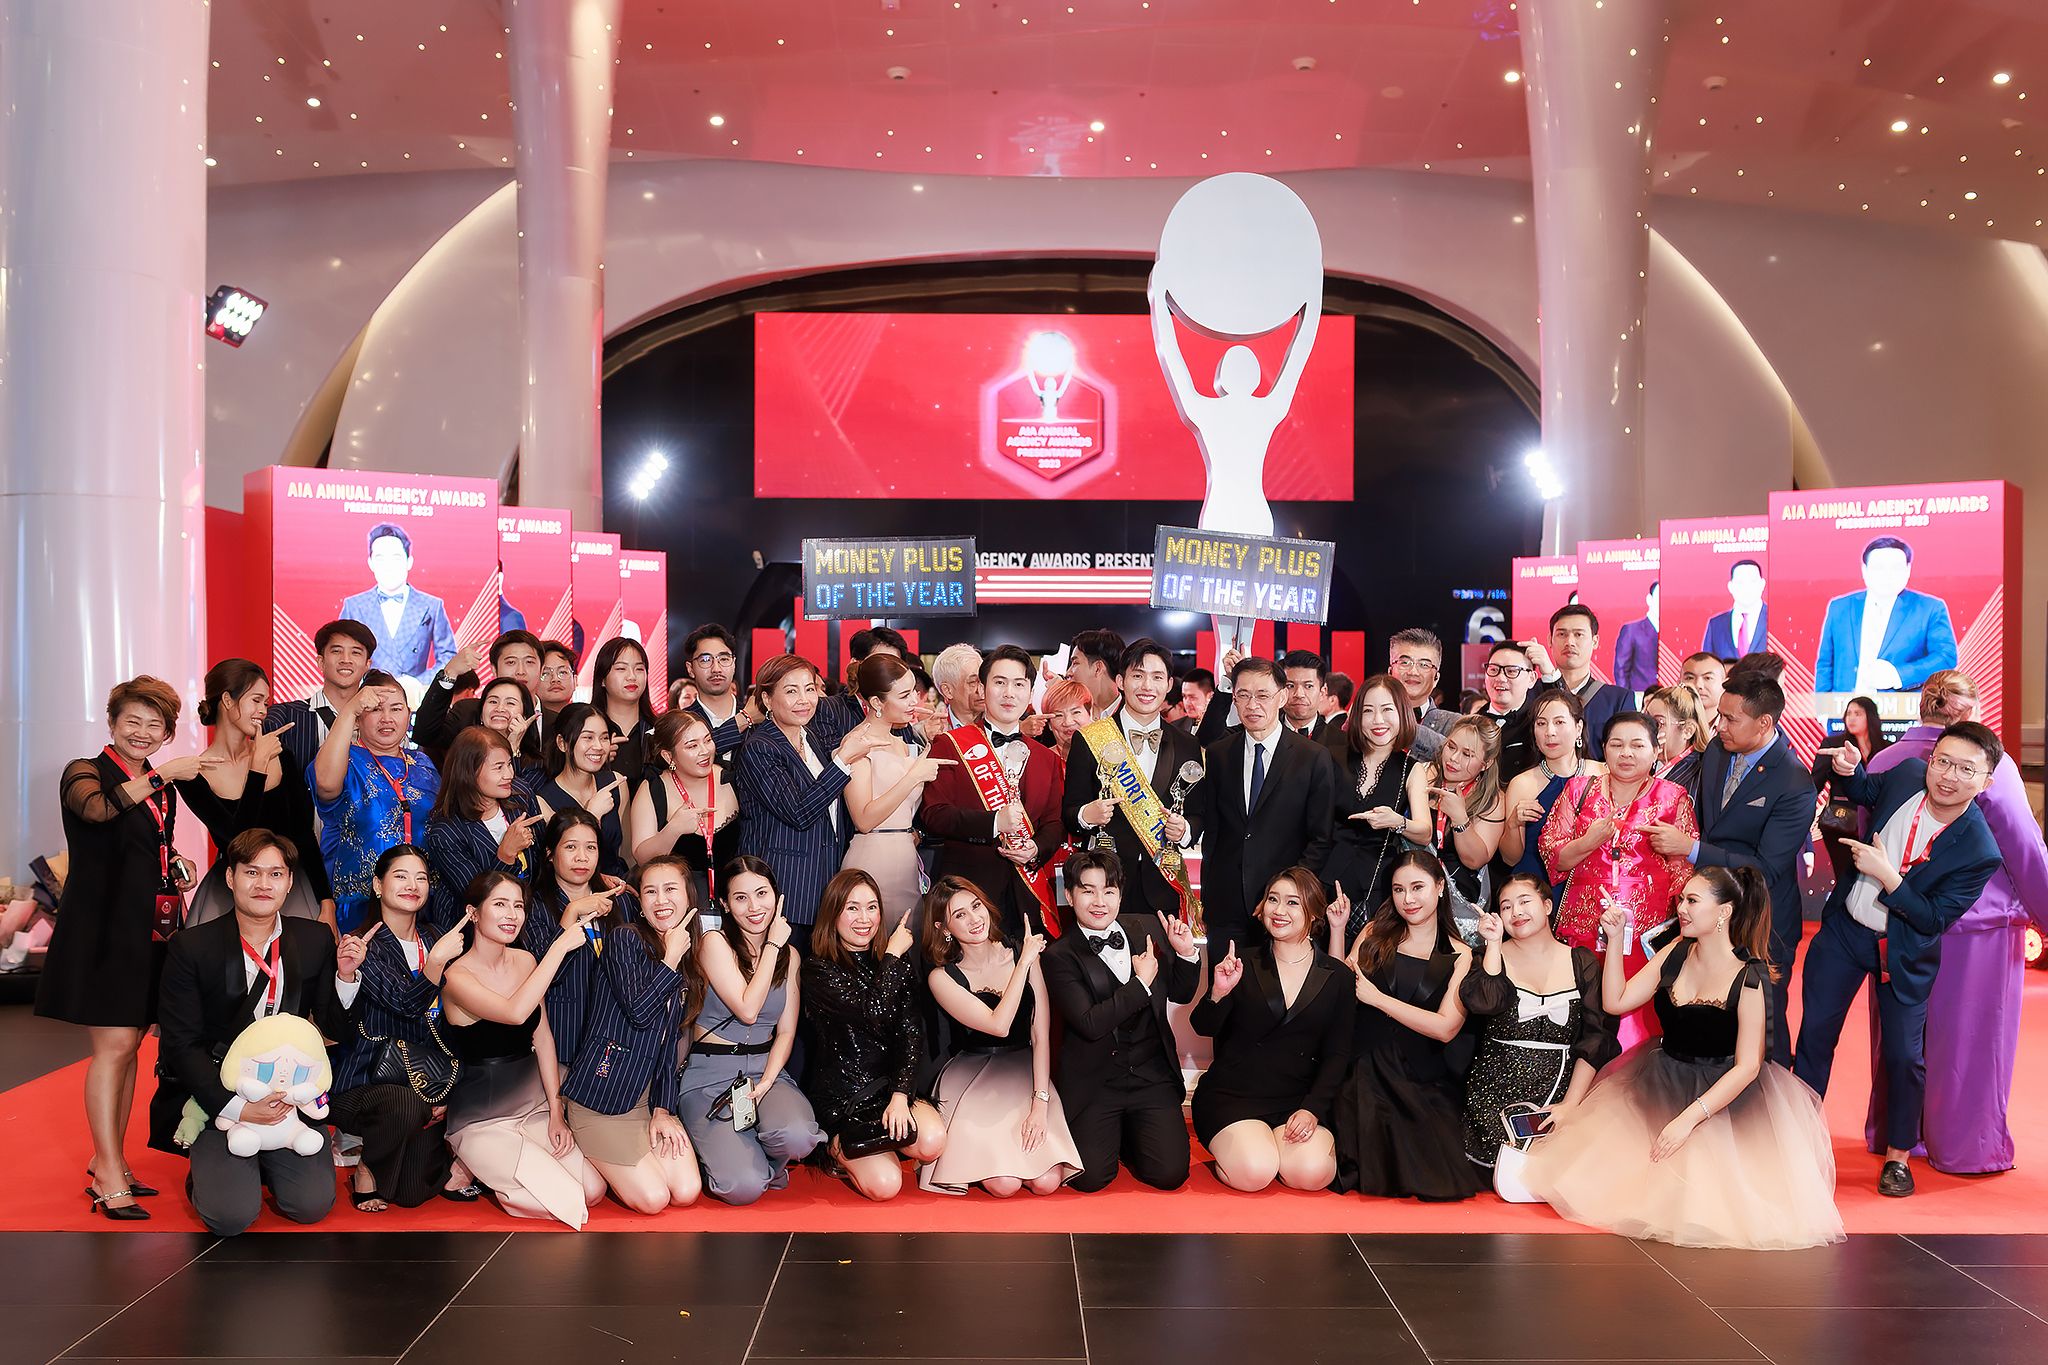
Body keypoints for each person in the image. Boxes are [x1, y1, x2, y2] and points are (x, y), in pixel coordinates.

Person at [1523, 868, 1842, 1249]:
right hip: (1661, 1080)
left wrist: (1688, 1120)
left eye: (1692, 901)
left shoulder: (1749, 977)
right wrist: (1616, 939)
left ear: (1724, 912)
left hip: (1723, 1100)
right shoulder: (1675, 953)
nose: (1681, 908)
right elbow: (1616, 1001)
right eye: (1681, 900)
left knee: (1703, 1204)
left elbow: (1748, 1066)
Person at [1794, 722, 2003, 1197]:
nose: (1948, 776)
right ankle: (1797, 1137)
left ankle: (1898, 1156)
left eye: (1965, 769)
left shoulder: (1979, 850)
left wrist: (1890, 877)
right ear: (1931, 759)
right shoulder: (1908, 774)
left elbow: (1933, 919)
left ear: (1986, 781)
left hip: (1903, 951)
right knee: (1815, 1036)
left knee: (1905, 1057)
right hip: (1846, 931)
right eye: (1943, 761)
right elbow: (1864, 791)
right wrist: (1851, 770)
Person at [39, 676, 214, 1219]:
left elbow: (143, 843)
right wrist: (163, 774)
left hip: (151, 930)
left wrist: (175, 864)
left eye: (154, 725)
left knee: (133, 1044)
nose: (142, 733)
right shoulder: (84, 771)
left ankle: (108, 1158)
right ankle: (108, 1172)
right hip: (102, 930)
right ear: (112, 723)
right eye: (132, 721)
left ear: (167, 732)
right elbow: (98, 812)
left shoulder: (157, 787)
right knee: (113, 1047)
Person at [1860, 672, 2046, 1175]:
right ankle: (1966, 1147)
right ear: (1968, 711)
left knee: (1901, 1036)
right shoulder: (1989, 764)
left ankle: (1896, 1133)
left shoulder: (1884, 759)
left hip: (1895, 917)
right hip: (1975, 927)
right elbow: (2023, 846)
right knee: (1967, 1045)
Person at [152, 830, 363, 1235]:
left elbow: (335, 1029)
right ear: (230, 878)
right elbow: (181, 1044)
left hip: (287, 1097)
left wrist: (346, 978)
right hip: (222, 1093)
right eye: (251, 872)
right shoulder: (192, 947)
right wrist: (237, 1108)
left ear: (289, 882)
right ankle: (214, 1170)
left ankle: (264, 1165)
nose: (263, 884)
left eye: (275, 874)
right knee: (229, 1217)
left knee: (311, 1206)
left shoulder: (313, 938)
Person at [1647, 671, 1814, 1065]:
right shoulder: (1718, 752)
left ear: (1764, 723)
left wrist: (1692, 850)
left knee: (1761, 1029)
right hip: (1709, 915)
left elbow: (1766, 869)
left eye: (1730, 719)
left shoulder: (1794, 782)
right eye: (1718, 716)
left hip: (1761, 919)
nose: (1718, 726)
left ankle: (1763, 1099)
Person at [429, 869, 612, 1227]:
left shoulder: (526, 960)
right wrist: (559, 947)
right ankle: (481, 1167)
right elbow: (514, 1013)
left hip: (532, 1108)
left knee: (593, 1190)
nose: (512, 915)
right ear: (473, 913)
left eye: (518, 906)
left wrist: (556, 1112)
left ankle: (490, 1171)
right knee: (570, 1202)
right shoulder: (456, 976)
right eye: (500, 904)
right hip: (483, 1119)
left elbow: (543, 1039)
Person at [1039, 850, 1201, 1192]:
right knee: (1090, 1179)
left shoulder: (1148, 927)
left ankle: (1133, 1135)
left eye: (1109, 891)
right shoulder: (1059, 955)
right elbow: (1090, 1023)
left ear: (1120, 894)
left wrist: (1186, 953)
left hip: (1151, 1075)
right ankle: (1120, 1133)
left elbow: (1182, 993)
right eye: (1088, 891)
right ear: (1070, 895)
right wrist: (1140, 984)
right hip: (1097, 1081)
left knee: (1170, 1175)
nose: (1100, 901)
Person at [328, 845, 476, 1211]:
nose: (412, 885)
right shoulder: (363, 945)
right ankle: (366, 1165)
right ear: (378, 885)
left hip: (429, 1079)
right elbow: (407, 1004)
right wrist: (436, 962)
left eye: (421, 878)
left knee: (412, 1194)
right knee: (404, 1105)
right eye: (401, 876)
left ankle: (398, 1150)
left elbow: (455, 1020)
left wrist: (446, 1090)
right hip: (369, 1081)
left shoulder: (436, 936)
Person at [1331, 849, 1482, 1200]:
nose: (1408, 899)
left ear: (1440, 887)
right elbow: (1338, 991)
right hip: (1364, 1066)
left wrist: (1379, 1000)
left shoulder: (1460, 954)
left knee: (1438, 1181)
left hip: (1421, 1074)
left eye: (1417, 888)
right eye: (1399, 890)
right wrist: (1338, 930)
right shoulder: (1374, 932)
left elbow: (1446, 1028)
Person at [918, 877, 1083, 1195]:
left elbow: (1040, 1033)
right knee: (1004, 1185)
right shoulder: (942, 977)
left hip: (1025, 1071)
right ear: (944, 928)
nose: (974, 919)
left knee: (1047, 1182)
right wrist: (1024, 964)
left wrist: (1040, 1102)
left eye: (976, 906)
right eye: (960, 915)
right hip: (974, 1077)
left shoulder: (1023, 950)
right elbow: (999, 1025)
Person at [1540, 712, 1696, 1046]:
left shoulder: (1673, 798)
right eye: (1617, 744)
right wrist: (1588, 842)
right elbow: (1554, 856)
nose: (1626, 753)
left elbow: (1684, 874)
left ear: (1656, 750)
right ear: (1604, 749)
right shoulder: (1579, 790)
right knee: (1579, 1022)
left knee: (1637, 1029)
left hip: (1646, 936)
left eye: (1637, 745)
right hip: (1582, 930)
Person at [558, 857, 702, 1215]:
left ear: (688, 896)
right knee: (654, 1200)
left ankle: (618, 1165)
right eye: (650, 892)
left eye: (670, 889)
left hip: (645, 1102)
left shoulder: (685, 952)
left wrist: (663, 1110)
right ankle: (587, 1153)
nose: (660, 900)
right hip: (601, 1099)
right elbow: (639, 1012)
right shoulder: (625, 938)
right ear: (640, 902)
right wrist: (670, 960)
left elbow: (668, 1046)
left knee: (686, 1192)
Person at [677, 856, 824, 1204]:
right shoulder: (714, 943)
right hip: (710, 1075)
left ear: (776, 896)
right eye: (741, 898)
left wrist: (769, 1081)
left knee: (799, 1136)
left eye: (762, 894)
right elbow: (747, 1010)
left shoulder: (791, 956)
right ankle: (730, 1155)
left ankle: (756, 1152)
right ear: (726, 904)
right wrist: (773, 945)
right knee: (743, 1188)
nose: (755, 907)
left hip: (762, 1068)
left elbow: (785, 1032)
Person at [1193, 869, 1349, 1194]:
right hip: (1234, 1098)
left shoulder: (1337, 975)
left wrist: (1312, 1108)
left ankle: (1272, 1148)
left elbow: (1338, 1053)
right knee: (1255, 1172)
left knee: (1312, 1173)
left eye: (1292, 902)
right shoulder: (1242, 962)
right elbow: (1203, 1026)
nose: (1278, 910)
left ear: (1314, 912)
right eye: (1273, 899)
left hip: (1296, 1101)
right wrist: (1218, 992)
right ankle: (1254, 1151)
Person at [801, 869, 949, 1200]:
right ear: (833, 913)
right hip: (844, 1099)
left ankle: (883, 1143)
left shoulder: (894, 962)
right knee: (885, 1186)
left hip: (887, 1088)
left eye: (872, 907)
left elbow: (911, 1033)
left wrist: (899, 1095)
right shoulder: (818, 969)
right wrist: (893, 956)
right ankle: (836, 1148)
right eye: (852, 908)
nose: (864, 919)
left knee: (932, 1141)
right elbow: (872, 1011)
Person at [1459, 874, 1617, 1172]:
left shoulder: (1581, 962)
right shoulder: (1488, 956)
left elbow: (1596, 1038)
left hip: (1559, 1095)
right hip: (1491, 1095)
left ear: (1547, 906)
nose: (1516, 912)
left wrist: (1570, 1105)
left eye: (1524, 902)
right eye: (1506, 906)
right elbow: (1485, 1002)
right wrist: (1493, 944)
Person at [1187, 655, 1337, 956]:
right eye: (1243, 695)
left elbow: (1320, 838)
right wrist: (1209, 898)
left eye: (1262, 695)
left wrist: (1289, 895)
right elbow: (1214, 833)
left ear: (1282, 697)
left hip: (1284, 910)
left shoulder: (1312, 757)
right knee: (1223, 983)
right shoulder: (1219, 754)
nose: (1252, 705)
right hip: (1226, 906)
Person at [919, 645, 1067, 940]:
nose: (1009, 693)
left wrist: (1035, 848)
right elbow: (933, 815)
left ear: (1029, 693)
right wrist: (994, 822)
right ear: (982, 689)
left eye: (1019, 684)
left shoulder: (1046, 758)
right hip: (968, 895)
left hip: (1028, 894)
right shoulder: (950, 744)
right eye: (1000, 682)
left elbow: (1054, 823)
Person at [173, 660, 332, 931]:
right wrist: (257, 769)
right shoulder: (192, 774)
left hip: (292, 889)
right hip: (232, 892)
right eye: (256, 700)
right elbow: (238, 841)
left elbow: (303, 834)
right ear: (227, 700)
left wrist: (326, 901)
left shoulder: (281, 756)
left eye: (265, 703)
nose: (263, 711)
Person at [1062, 639, 1207, 925]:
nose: (1147, 686)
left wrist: (1185, 830)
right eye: (1138, 676)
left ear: (1169, 685)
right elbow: (1069, 814)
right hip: (1103, 885)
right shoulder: (1090, 738)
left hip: (1162, 883)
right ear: (1120, 681)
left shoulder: (1188, 744)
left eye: (1157, 677)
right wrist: (1086, 815)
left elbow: (1199, 814)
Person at [733, 654, 876, 939]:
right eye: (791, 691)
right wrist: (842, 762)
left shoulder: (811, 737)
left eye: (809, 689)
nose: (804, 700)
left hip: (825, 880)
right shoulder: (759, 748)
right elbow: (799, 812)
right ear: (767, 699)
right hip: (784, 885)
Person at [312, 671, 442, 935]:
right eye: (375, 709)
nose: (387, 718)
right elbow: (325, 784)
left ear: (408, 714)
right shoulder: (345, 760)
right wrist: (349, 710)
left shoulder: (423, 763)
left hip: (423, 902)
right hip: (360, 904)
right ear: (359, 718)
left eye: (396, 709)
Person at [841, 653, 954, 926]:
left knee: (911, 941)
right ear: (876, 703)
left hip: (907, 858)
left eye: (913, 691)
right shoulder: (856, 743)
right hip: (873, 860)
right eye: (904, 695)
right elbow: (864, 819)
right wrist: (913, 777)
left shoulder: (903, 743)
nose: (914, 701)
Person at [1325, 674, 1419, 940]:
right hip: (1327, 875)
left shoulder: (1410, 768)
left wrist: (1397, 821)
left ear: (1402, 714)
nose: (1378, 720)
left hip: (1377, 884)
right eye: (1368, 711)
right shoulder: (1334, 756)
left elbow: (1424, 831)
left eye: (1387, 710)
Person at [424, 727, 542, 932]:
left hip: (528, 917)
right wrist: (506, 854)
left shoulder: (521, 794)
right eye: (499, 767)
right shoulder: (444, 832)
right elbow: (477, 897)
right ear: (470, 772)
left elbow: (541, 860)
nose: (509, 774)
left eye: (509, 764)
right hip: (470, 930)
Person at [1400, 714, 1504, 942]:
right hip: (1409, 889)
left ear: (1486, 763)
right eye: (1451, 747)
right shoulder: (1422, 773)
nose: (1453, 759)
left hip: (1458, 904)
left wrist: (1459, 818)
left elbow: (1475, 860)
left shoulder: (1491, 799)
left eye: (1467, 754)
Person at [1814, 535, 1959, 693]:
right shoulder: (1839, 607)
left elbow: (1946, 656)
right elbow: (1825, 664)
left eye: (1896, 568)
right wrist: (1823, 704)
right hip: (1844, 706)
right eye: (1879, 567)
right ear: (1864, 570)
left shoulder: (1930, 608)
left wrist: (1898, 675)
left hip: (1902, 706)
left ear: (1908, 570)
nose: (1887, 575)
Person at [1496, 688, 1598, 906]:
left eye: (1559, 722)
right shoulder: (1522, 784)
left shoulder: (1602, 774)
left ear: (1578, 727)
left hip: (1591, 891)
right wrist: (1513, 824)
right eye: (1541, 723)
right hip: (1536, 893)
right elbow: (1510, 858)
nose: (1550, 732)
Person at [629, 708, 740, 904]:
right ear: (668, 757)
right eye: (692, 746)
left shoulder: (731, 778)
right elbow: (642, 858)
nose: (705, 751)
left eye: (707, 740)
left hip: (734, 897)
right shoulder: (653, 790)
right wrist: (674, 829)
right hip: (677, 902)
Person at [338, 521, 458, 691]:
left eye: (396, 557)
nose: (388, 566)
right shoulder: (354, 606)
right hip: (365, 695)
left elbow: (448, 656)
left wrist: (420, 683)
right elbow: (341, 656)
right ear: (370, 563)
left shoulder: (431, 606)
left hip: (416, 698)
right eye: (380, 558)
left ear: (409, 561)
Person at [264, 618, 376, 780]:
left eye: (356, 652)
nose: (346, 659)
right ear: (321, 662)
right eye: (336, 651)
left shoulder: (381, 719)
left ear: (367, 664)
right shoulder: (284, 718)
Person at [411, 630, 549, 761]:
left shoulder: (554, 722)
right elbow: (424, 735)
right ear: (494, 669)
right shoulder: (466, 713)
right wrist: (450, 672)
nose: (520, 671)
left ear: (542, 669)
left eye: (529, 662)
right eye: (511, 662)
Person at [534, 702, 630, 877]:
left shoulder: (615, 783)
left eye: (604, 738)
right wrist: (592, 815)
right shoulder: (543, 801)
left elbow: (627, 852)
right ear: (562, 743)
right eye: (588, 737)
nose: (598, 746)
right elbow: (560, 866)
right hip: (576, 889)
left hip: (620, 884)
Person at [1814, 694, 1888, 884]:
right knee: (1845, 879)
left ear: (1870, 716)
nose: (1851, 718)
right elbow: (1815, 783)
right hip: (1841, 822)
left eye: (1858, 713)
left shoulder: (1886, 748)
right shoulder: (1833, 745)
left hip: (1875, 824)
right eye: (1849, 713)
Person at [1538, 605, 1634, 746]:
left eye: (1578, 634)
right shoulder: (1530, 693)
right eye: (1562, 634)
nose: (1569, 642)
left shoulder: (1619, 699)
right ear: (1549, 640)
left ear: (1595, 641)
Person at [591, 635, 658, 788]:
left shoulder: (659, 730)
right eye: (621, 668)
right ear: (602, 679)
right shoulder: (585, 731)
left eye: (639, 669)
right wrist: (595, 760)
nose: (632, 676)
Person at [680, 624, 752, 763]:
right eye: (705, 660)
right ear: (690, 669)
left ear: (734, 664)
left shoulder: (758, 719)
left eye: (724, 659)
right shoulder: (679, 725)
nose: (716, 669)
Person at [1387, 627, 1454, 761]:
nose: (1413, 672)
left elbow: (1454, 757)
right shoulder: (1369, 716)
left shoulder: (1455, 724)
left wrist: (1402, 726)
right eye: (1405, 662)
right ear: (1390, 672)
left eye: (1424, 665)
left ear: (1436, 678)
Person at [1643, 684, 1710, 800]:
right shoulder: (1641, 762)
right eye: (1645, 720)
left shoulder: (1704, 772)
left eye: (1658, 723)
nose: (1647, 729)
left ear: (1688, 730)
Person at [1701, 558, 1768, 660]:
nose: (1746, 588)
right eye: (1740, 582)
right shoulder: (1715, 624)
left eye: (1752, 581)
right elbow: (1706, 664)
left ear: (1762, 584)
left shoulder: (1775, 619)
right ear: (1730, 586)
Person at [1280, 649, 1343, 751]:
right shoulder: (1264, 736)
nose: (1299, 694)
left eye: (1308, 686)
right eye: (1290, 686)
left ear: (1322, 692)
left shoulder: (1343, 743)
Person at [1067, 628, 1127, 718]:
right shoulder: (1067, 715)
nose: (1068, 673)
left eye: (1075, 663)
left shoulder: (1134, 715)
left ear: (1098, 668)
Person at [1613, 581, 1660, 693]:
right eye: (1659, 598)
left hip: (1667, 695)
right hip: (1640, 694)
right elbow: (1621, 669)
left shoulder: (1672, 631)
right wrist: (1626, 697)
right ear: (1649, 599)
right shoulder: (1631, 630)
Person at [1039, 677, 1096, 766]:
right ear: (1049, 724)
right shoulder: (1040, 761)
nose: (1068, 722)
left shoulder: (1108, 755)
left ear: (1090, 714)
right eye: (1059, 715)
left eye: (1076, 712)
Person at [930, 642, 986, 730]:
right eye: (973, 682)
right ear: (948, 691)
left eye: (983, 680)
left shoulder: (1004, 726)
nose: (982, 690)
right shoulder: (927, 733)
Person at [1679, 652, 1729, 721]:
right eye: (1690, 678)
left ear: (1724, 684)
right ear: (1679, 683)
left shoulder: (1735, 724)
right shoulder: (1669, 724)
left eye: (1708, 678)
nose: (1698, 685)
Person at [535, 641, 579, 720]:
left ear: (575, 681)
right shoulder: (521, 723)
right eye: (545, 673)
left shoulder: (588, 721)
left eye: (562, 672)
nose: (555, 679)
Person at [1175, 667, 1215, 735]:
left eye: (1192, 697)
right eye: (1184, 696)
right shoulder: (1175, 728)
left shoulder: (1223, 728)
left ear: (1210, 697)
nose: (1187, 703)